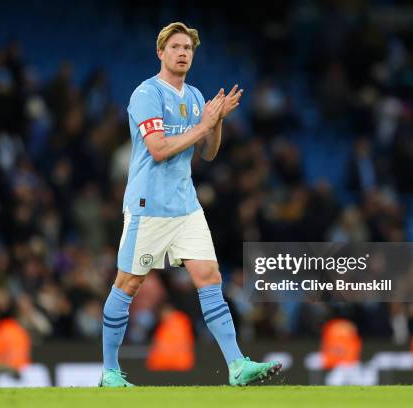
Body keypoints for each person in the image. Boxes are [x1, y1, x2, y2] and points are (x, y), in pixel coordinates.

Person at [99, 21, 281, 387]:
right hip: (148, 206)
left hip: (186, 207)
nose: (183, 53)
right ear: (161, 53)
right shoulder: (146, 94)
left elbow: (209, 154)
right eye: (176, 47)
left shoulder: (196, 97)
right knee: (127, 284)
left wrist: (216, 123)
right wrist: (204, 125)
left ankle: (237, 366)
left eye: (189, 49)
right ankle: (110, 372)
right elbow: (159, 149)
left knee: (210, 278)